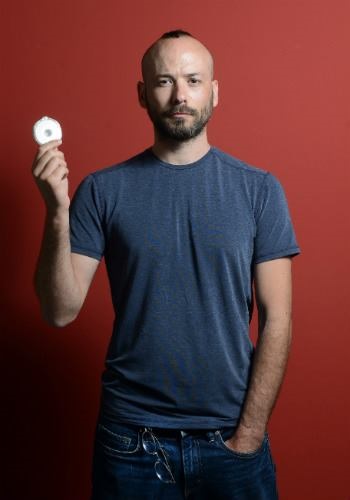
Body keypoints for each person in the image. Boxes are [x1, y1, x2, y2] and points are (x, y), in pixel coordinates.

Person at [32, 29, 301, 500]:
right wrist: (57, 212)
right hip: (130, 441)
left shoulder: (259, 191)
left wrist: (250, 434)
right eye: (164, 81)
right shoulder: (102, 190)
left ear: (214, 91)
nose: (180, 95)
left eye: (193, 80)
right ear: (142, 94)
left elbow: (278, 321)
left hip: (230, 437)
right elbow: (60, 310)